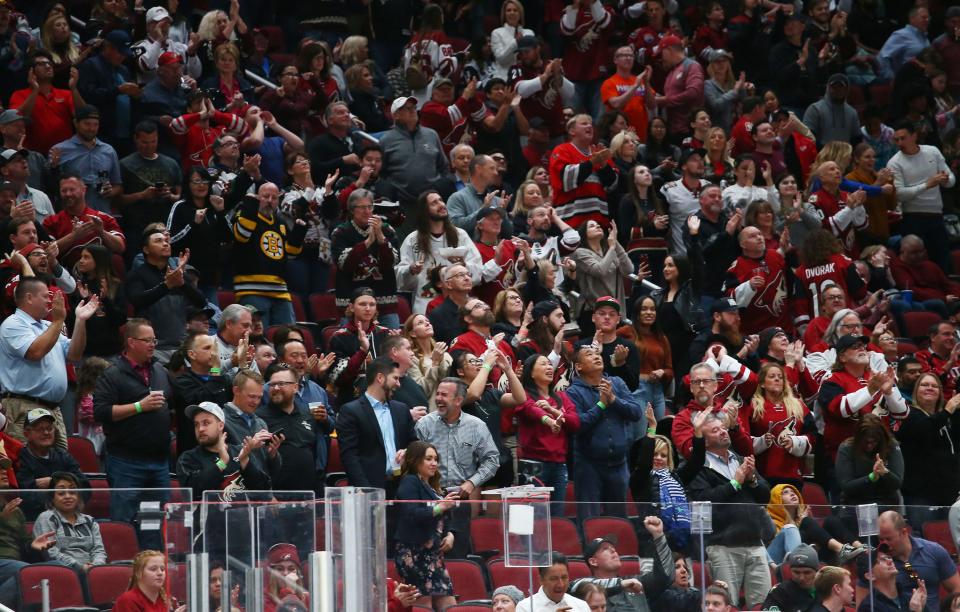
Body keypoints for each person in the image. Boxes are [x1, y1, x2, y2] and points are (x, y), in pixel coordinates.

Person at [93, 318, 173, 550]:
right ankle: (122, 568)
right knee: (124, 520)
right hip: (126, 462)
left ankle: (151, 566)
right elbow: (102, 412)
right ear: (131, 342)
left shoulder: (159, 369)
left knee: (153, 521)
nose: (152, 344)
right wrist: (140, 406)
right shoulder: (112, 373)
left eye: (154, 340)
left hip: (158, 462)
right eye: (147, 340)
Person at [687, 412, 772, 608]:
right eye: (715, 431)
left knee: (763, 605)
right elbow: (704, 502)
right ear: (705, 442)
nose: (723, 432)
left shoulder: (741, 460)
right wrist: (735, 483)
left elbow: (765, 496)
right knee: (727, 605)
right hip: (723, 546)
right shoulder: (698, 467)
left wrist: (752, 480)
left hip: (755, 544)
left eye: (723, 428)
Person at [0, 276, 96, 448]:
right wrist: (58, 321)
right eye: (45, 296)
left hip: (52, 409)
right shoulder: (13, 324)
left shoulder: (46, 326)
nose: (50, 299)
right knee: (25, 464)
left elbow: (74, 354)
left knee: (59, 469)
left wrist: (80, 321)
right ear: (29, 298)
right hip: (23, 407)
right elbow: (35, 352)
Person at [566, 345, 643, 521]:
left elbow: (636, 413)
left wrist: (613, 400)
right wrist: (601, 405)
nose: (596, 356)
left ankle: (615, 549)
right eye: (589, 355)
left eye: (597, 353)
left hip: (619, 463)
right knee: (589, 519)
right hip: (588, 465)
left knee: (618, 519)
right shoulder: (573, 392)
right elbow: (578, 425)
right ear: (579, 367)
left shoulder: (616, 383)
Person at [816, 335, 908, 463]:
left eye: (863, 346)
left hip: (881, 455)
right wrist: (870, 390)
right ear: (842, 357)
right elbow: (840, 409)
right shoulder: (832, 381)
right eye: (855, 347)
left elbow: (902, 413)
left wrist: (888, 392)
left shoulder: (878, 376)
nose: (861, 349)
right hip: (847, 457)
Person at [393, 440, 459, 611]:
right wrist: (440, 507)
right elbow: (411, 513)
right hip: (415, 553)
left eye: (436, 459)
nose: (434, 463)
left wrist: (450, 534)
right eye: (428, 458)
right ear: (416, 460)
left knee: (449, 605)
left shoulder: (433, 486)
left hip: (434, 556)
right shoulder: (410, 481)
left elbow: (446, 518)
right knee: (424, 606)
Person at [396, 190, 484, 315]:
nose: (441, 204)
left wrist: (463, 265)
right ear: (425, 211)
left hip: (459, 307)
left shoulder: (460, 235)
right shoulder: (412, 239)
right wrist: (411, 270)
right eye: (434, 203)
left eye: (441, 200)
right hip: (424, 307)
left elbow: (478, 271)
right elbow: (401, 281)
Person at [336, 357, 417, 493]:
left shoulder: (402, 409)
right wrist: (364, 488)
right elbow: (350, 456)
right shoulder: (350, 411)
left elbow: (413, 443)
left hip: (401, 487)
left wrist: (408, 452)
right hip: (367, 489)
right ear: (380, 378)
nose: (398, 384)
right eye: (395, 378)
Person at [125, 226, 205, 362]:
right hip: (153, 348)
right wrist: (166, 286)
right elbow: (137, 301)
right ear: (146, 249)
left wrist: (183, 284)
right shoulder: (137, 274)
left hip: (181, 347)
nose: (165, 243)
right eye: (158, 241)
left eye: (166, 241)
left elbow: (201, 302)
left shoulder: (178, 274)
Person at [232, 181, 306, 326]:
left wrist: (299, 232)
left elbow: (290, 255)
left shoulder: (281, 222)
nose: (270, 201)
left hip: (280, 291)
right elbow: (241, 235)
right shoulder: (245, 214)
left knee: (288, 335)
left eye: (274, 198)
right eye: (265, 196)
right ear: (257, 197)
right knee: (256, 339)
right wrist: (249, 206)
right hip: (251, 289)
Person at [887, 121, 956, 274]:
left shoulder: (932, 151)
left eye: (903, 138)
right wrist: (927, 184)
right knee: (915, 264)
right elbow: (900, 194)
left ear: (914, 136)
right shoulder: (894, 163)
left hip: (936, 215)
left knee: (942, 259)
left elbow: (950, 177)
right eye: (896, 140)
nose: (899, 143)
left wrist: (946, 181)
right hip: (913, 218)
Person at [516, 354, 581, 515]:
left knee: (556, 515)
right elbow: (531, 409)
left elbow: (575, 423)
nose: (549, 368)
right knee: (534, 516)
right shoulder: (524, 395)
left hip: (559, 463)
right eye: (543, 364)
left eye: (550, 365)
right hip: (533, 464)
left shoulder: (562, 397)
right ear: (531, 373)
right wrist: (550, 420)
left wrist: (553, 411)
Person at [896, 372, 960, 528]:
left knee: (949, 541)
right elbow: (924, 430)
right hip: (921, 495)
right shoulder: (910, 415)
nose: (930, 388)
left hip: (948, 493)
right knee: (924, 538)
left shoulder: (946, 418)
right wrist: (948, 410)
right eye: (925, 385)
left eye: (934, 386)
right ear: (916, 391)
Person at [330, 189, 401, 327]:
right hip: (350, 304)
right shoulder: (341, 232)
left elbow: (393, 261)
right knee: (351, 344)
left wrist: (380, 238)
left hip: (384, 303)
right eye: (362, 208)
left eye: (370, 207)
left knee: (393, 343)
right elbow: (344, 264)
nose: (367, 211)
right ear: (351, 210)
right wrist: (367, 243)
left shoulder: (387, 230)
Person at [176, 401, 272, 501]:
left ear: (221, 426)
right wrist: (222, 462)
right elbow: (192, 492)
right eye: (196, 424)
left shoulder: (240, 451)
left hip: (242, 515)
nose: (200, 429)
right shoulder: (188, 458)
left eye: (206, 423)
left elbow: (263, 491)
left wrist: (245, 461)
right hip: (209, 516)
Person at [570, 521, 673, 611]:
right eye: (605, 548)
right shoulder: (585, 587)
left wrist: (658, 535)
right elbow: (574, 586)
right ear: (593, 562)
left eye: (613, 547)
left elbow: (666, 576)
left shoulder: (635, 581)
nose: (613, 550)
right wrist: (621, 584)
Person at [872, 510, 960, 611]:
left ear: (904, 532)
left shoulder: (934, 551)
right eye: (881, 539)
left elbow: (956, 588)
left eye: (889, 539)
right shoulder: (878, 563)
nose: (885, 544)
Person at [746, 362, 816, 488]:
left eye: (780, 377)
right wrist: (761, 442)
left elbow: (813, 436)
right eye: (772, 376)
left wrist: (796, 443)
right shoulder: (753, 407)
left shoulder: (799, 406)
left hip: (793, 475)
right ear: (762, 383)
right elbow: (742, 439)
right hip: (763, 475)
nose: (777, 379)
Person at [256, 364, 321, 493]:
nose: (275, 388)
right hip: (275, 493)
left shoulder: (308, 413)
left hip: (308, 492)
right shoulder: (259, 417)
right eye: (272, 384)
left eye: (281, 384)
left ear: (295, 387)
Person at [548, 113, 619, 229]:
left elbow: (612, 186)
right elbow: (566, 178)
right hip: (570, 222)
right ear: (572, 131)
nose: (589, 126)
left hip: (599, 222)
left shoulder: (599, 152)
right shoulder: (562, 150)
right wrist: (591, 163)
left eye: (590, 124)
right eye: (584, 123)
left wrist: (603, 166)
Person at [15, 407, 87, 520]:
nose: (46, 432)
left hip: (68, 517)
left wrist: (53, 482)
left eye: (49, 428)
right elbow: (25, 497)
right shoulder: (20, 458)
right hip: (34, 520)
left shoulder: (63, 456)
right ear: (26, 433)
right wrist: (66, 488)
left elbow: (85, 488)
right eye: (40, 429)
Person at [43, 173, 125, 269]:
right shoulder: (51, 221)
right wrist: (74, 236)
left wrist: (102, 232)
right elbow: (46, 253)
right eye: (64, 191)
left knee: (117, 260)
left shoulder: (103, 218)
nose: (68, 194)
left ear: (84, 190)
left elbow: (120, 247)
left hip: (100, 274)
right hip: (65, 275)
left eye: (72, 189)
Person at [8, 51, 84, 155]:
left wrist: (74, 89)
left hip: (65, 153)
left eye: (49, 63)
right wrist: (35, 90)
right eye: (41, 64)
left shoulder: (65, 93)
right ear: (31, 71)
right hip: (33, 154)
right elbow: (19, 119)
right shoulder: (20, 95)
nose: (48, 66)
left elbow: (83, 116)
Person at [169, 332, 231, 454]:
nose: (214, 353)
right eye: (207, 348)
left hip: (223, 448)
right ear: (192, 354)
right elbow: (206, 403)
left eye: (215, 348)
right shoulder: (182, 382)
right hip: (194, 453)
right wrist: (216, 369)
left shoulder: (224, 379)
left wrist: (243, 364)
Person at [31, 471, 105, 572]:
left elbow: (98, 550)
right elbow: (51, 552)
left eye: (72, 492)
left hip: (92, 570)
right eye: (61, 493)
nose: (67, 496)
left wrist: (96, 567)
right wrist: (80, 567)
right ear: (52, 497)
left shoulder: (89, 520)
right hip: (62, 571)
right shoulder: (47, 517)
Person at [379, 96, 449, 205]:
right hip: (403, 202)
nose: (413, 111)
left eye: (414, 107)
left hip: (432, 201)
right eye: (407, 108)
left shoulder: (431, 134)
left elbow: (443, 166)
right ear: (396, 115)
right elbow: (382, 172)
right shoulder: (386, 140)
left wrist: (439, 188)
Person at [571, 220, 635, 335]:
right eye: (592, 226)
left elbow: (629, 269)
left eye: (598, 225)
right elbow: (599, 270)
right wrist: (611, 248)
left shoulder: (609, 252)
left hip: (614, 311)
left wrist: (615, 243)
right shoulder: (580, 253)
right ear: (584, 234)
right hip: (592, 311)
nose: (597, 226)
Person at [653, 35, 705, 142]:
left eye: (661, 54)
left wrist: (666, 100)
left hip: (688, 129)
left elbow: (693, 92)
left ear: (669, 50)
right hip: (673, 130)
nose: (660, 59)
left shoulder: (692, 66)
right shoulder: (670, 72)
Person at [856, 543, 928, 612]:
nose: (890, 560)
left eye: (888, 557)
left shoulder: (908, 598)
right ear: (871, 575)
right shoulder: (869, 607)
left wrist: (923, 606)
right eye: (882, 560)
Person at [517, 553, 591, 611]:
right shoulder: (526, 607)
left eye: (564, 577)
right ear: (541, 580)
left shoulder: (581, 606)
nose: (560, 585)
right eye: (554, 579)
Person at [762, 544, 821, 611]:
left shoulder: (827, 589)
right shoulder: (780, 592)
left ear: (816, 571)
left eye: (807, 572)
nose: (801, 578)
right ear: (790, 571)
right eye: (796, 572)